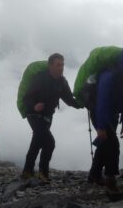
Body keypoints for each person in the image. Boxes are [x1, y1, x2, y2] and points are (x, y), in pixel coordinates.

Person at [87, 40, 123, 198]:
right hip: (99, 112)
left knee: (105, 144)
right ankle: (110, 182)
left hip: (112, 114)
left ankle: (94, 175)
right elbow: (102, 102)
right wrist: (100, 127)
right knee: (112, 145)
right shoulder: (109, 75)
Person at [21, 53, 81, 182]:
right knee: (49, 143)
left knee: (37, 142)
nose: (61, 68)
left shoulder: (62, 81)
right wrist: (35, 105)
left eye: (62, 65)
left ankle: (27, 171)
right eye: (58, 65)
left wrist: (84, 104)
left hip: (48, 116)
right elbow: (26, 98)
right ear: (50, 66)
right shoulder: (40, 78)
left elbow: (69, 99)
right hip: (34, 114)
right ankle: (43, 173)